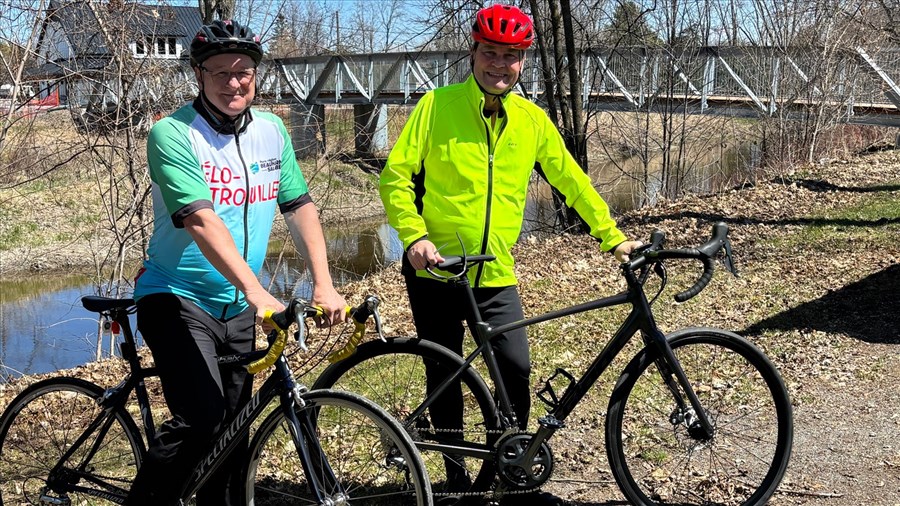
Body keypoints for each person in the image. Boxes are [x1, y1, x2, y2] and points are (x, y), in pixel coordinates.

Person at [379, 4, 641, 502]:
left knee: (515, 368)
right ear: (473, 52)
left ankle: (511, 467)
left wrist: (613, 235)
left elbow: (572, 182)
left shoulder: (532, 120)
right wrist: (413, 236)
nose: (500, 65)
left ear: (524, 61)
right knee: (446, 371)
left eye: (512, 56)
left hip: (495, 270)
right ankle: (456, 478)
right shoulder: (436, 107)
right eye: (491, 53)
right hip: (435, 268)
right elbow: (395, 176)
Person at [128, 19, 346, 506]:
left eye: (243, 70)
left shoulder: (271, 130)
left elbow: (299, 206)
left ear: (256, 74)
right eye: (219, 71)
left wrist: (324, 283)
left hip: (239, 306)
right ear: (198, 75)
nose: (233, 81)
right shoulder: (173, 133)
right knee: (202, 418)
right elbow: (200, 220)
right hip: (175, 294)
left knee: (234, 432)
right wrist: (258, 291)